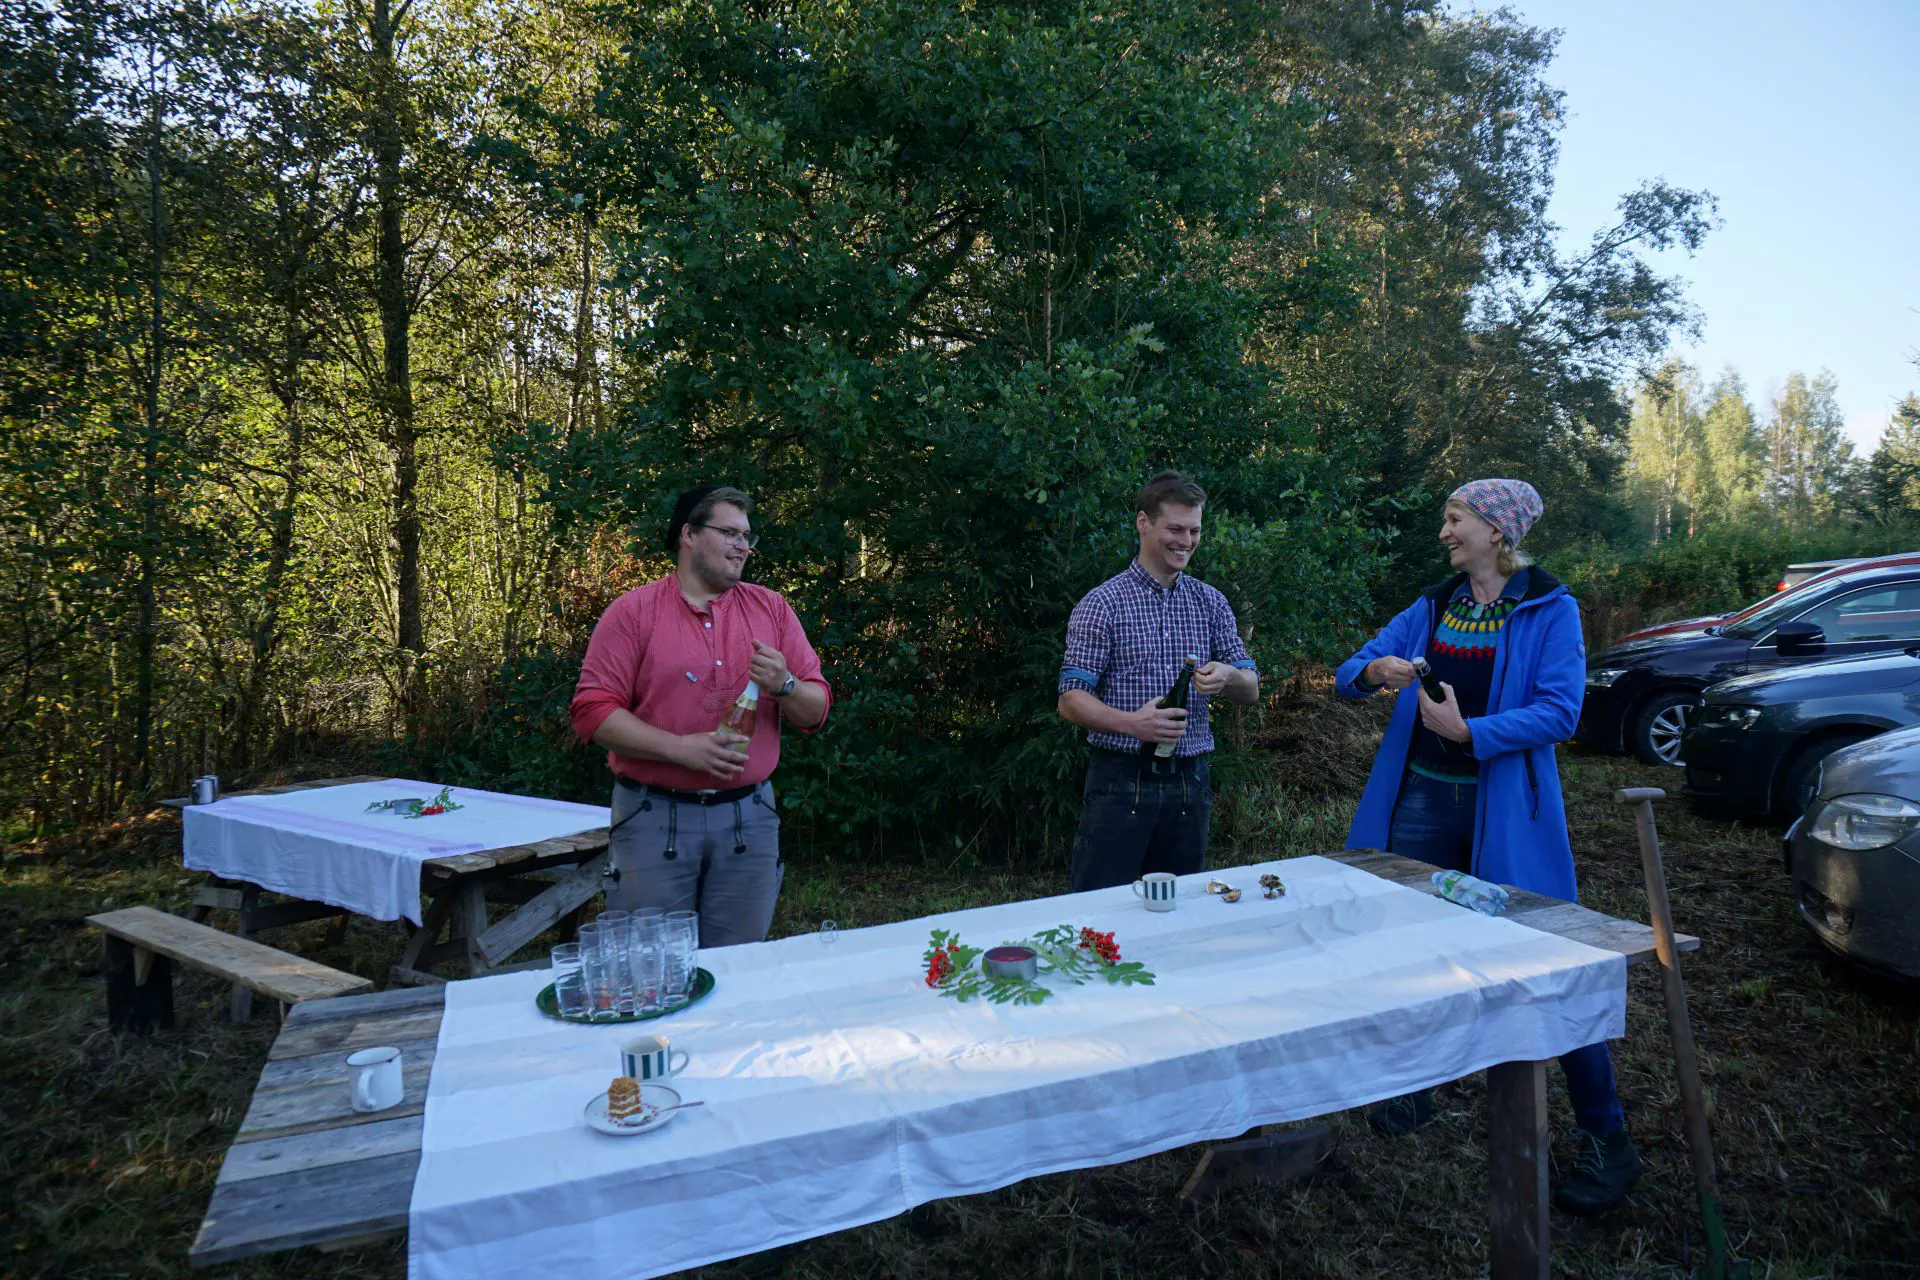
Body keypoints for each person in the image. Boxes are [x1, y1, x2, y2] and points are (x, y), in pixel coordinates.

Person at [1335, 478, 1641, 1215]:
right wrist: (1379, 670)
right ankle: (1419, 1088)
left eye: (1455, 519)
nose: (1444, 532)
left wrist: (1472, 734)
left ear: (1497, 532)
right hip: (1420, 801)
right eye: (1447, 517)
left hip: (1503, 812)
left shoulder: (1548, 608)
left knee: (1545, 963)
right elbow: (1352, 670)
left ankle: (1608, 1136)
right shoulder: (1434, 607)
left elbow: (1561, 711)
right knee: (1409, 949)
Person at [570, 485, 831, 947]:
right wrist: (681, 750)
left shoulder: (771, 608)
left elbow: (815, 711)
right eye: (729, 532)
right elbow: (592, 712)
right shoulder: (633, 613)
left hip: (749, 821)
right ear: (688, 534)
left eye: (747, 536)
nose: (743, 546)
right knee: (647, 971)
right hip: (653, 817)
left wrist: (785, 684)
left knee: (738, 972)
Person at [1057, 470, 1261, 893]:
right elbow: (1071, 699)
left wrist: (1227, 676)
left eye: (1194, 531)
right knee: (1101, 910)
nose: (1185, 541)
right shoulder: (1102, 604)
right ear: (1143, 523)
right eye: (1175, 529)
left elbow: (1251, 687)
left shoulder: (1210, 602)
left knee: (1180, 912)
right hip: (1119, 782)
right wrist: (1134, 724)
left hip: (1191, 781)